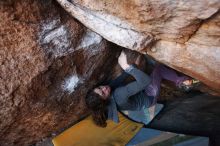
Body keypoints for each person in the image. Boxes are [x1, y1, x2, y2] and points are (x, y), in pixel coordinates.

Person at [85, 51, 196, 127]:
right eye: (103, 92)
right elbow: (145, 81)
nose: (104, 88)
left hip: (144, 99)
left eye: (99, 87)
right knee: (159, 69)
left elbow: (118, 81)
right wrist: (127, 67)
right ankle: (182, 82)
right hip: (149, 96)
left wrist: (133, 68)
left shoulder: (110, 98)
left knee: (150, 72)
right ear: (105, 100)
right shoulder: (119, 95)